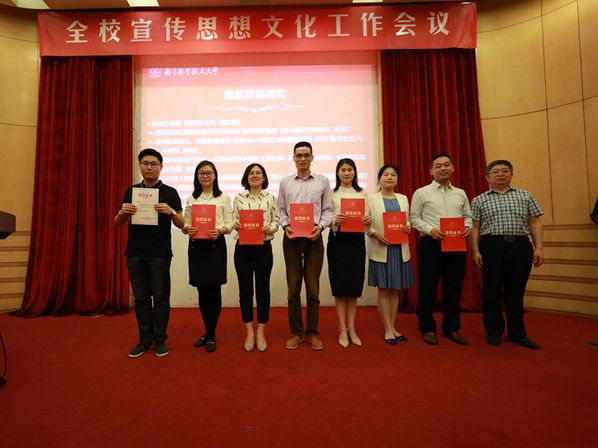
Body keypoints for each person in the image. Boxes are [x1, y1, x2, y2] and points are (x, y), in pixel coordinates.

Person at [114, 148, 184, 358]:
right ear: (140, 166)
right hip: (135, 253)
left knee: (161, 297)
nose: (149, 167)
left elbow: (182, 223)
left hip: (160, 253)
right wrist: (122, 212)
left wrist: (170, 212)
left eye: (154, 164)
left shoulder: (170, 192)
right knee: (141, 298)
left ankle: (160, 339)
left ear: (161, 167)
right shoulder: (132, 191)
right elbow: (118, 222)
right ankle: (145, 340)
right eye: (145, 163)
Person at [471, 159, 544, 350]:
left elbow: (535, 222)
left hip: (520, 247)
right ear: (487, 177)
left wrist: (539, 248)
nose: (500, 174)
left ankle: (517, 333)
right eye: (495, 172)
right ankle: (494, 331)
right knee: (492, 291)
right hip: (491, 247)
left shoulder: (525, 195)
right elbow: (475, 227)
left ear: (511, 175)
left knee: (516, 291)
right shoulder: (479, 200)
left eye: (505, 171)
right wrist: (476, 250)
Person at [410, 154, 472, 346]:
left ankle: (451, 327)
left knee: (453, 286)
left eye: (446, 165)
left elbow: (467, 216)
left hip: (456, 244)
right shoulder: (421, 193)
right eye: (438, 166)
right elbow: (414, 218)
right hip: (431, 244)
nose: (443, 168)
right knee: (428, 286)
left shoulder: (460, 193)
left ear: (453, 168)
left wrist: (467, 227)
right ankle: (427, 327)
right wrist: (430, 230)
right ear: (431, 171)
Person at [278, 141, 333, 350]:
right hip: (291, 238)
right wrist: (285, 226)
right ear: (293, 158)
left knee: (313, 288)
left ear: (312, 158)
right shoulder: (285, 182)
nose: (302, 159)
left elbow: (328, 209)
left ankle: (312, 332)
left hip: (314, 238)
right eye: (299, 155)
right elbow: (281, 209)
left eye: (306, 155)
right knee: (293, 288)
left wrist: (321, 226)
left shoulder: (322, 181)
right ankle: (295, 332)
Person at [182, 160, 232, 353]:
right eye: (202, 173)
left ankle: (211, 334)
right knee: (202, 290)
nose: (205, 176)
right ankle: (207, 330)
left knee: (214, 289)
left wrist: (220, 231)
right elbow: (185, 224)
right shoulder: (192, 198)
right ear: (197, 176)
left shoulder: (223, 198)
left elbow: (230, 222)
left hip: (215, 245)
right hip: (197, 247)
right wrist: (187, 228)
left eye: (209, 173)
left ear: (215, 176)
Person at [232, 163, 279, 352]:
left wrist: (271, 228)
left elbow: (276, 219)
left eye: (259, 173)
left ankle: (261, 331)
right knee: (245, 290)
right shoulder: (238, 197)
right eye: (251, 173)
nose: (255, 175)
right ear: (246, 177)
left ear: (264, 177)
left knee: (262, 290)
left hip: (263, 248)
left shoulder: (271, 198)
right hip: (242, 248)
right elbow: (233, 218)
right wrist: (235, 224)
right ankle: (249, 331)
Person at [367, 164, 414, 345]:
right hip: (381, 248)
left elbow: (407, 220)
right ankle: (387, 328)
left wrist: (408, 227)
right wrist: (375, 234)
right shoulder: (371, 199)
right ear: (379, 179)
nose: (389, 177)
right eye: (385, 174)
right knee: (384, 290)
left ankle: (393, 326)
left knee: (395, 290)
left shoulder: (403, 198)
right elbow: (365, 224)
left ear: (397, 179)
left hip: (400, 250)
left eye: (393, 175)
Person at [327, 158, 371, 348]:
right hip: (338, 241)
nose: (346, 173)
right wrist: (334, 220)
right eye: (343, 170)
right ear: (338, 173)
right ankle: (342, 329)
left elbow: (368, 218)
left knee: (353, 287)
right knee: (339, 287)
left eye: (350, 169)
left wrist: (368, 219)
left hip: (356, 242)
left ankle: (352, 328)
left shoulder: (363, 193)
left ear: (355, 172)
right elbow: (326, 217)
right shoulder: (331, 193)